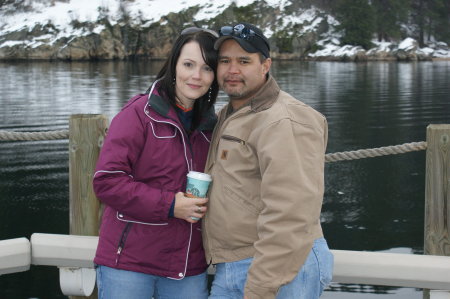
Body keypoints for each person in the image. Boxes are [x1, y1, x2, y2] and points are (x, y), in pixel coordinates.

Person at [202, 23, 334, 299]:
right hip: (235, 264)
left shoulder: (285, 121)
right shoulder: (233, 112)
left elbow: (291, 212)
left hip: (277, 269)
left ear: (265, 65)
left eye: (244, 61)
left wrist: (262, 285)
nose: (232, 70)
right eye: (225, 61)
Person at [92, 27, 219, 299]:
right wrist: (171, 205)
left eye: (207, 68)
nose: (196, 76)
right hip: (129, 263)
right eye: (188, 64)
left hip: (187, 266)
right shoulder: (138, 114)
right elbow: (106, 181)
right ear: (173, 65)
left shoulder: (213, 128)